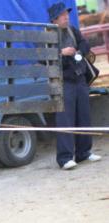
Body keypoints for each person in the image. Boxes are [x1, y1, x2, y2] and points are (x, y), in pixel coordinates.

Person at [48, 2, 102, 170]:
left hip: (80, 80)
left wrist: (78, 51)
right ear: (54, 19)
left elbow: (86, 44)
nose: (66, 17)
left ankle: (83, 153)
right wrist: (61, 53)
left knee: (84, 116)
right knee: (66, 120)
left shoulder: (73, 30)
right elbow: (43, 58)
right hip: (63, 82)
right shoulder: (47, 34)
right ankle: (64, 158)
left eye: (67, 14)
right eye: (63, 15)